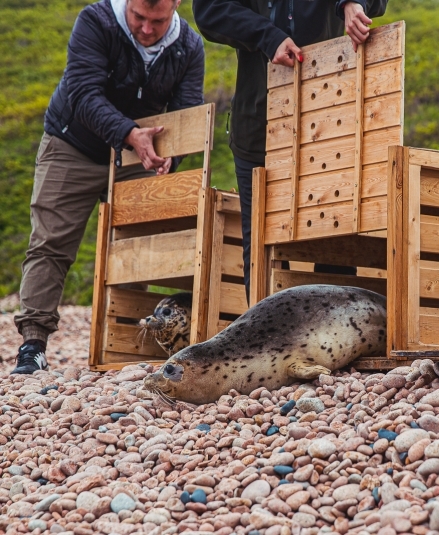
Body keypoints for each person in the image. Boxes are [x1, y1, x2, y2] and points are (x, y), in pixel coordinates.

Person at [11, 0, 205, 374]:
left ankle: (131, 345)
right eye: (139, 18)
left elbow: (186, 111)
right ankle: (32, 345)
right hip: (74, 144)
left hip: (138, 155)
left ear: (176, 6)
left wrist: (169, 161)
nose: (147, 29)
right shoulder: (94, 21)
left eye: (158, 21)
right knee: (51, 243)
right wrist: (129, 133)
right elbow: (83, 94)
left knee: (141, 245)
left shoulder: (190, 47)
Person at [193, 0, 389, 304]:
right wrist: (267, 37)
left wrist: (351, 3)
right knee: (261, 245)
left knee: (335, 237)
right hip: (258, 127)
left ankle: (332, 340)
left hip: (330, 121)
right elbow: (209, 10)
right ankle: (264, 343)